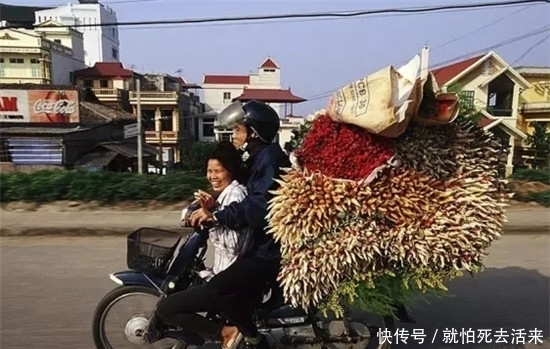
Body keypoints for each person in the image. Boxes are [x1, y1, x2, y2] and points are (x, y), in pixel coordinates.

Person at [146, 100, 290, 349]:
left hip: (265, 252)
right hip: (257, 248)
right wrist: (210, 204)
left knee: (218, 291)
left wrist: (217, 217)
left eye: (238, 130)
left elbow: (258, 208)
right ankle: (250, 336)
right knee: (220, 288)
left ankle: (239, 335)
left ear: (253, 133)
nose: (234, 135)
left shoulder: (269, 159)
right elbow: (235, 185)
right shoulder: (257, 157)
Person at [144, 141, 251, 347]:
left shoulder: (236, 195)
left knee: (167, 308)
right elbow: (190, 216)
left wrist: (211, 219)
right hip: (223, 272)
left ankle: (225, 333)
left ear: (230, 171)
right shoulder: (223, 194)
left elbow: (235, 242)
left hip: (228, 279)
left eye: (218, 171)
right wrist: (206, 209)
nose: (212, 176)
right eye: (209, 171)